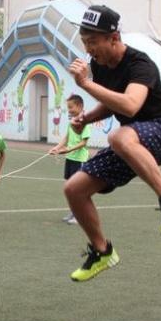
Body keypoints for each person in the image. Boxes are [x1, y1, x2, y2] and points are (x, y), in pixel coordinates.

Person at [63, 5, 161, 282]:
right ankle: (102, 251)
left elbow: (131, 105)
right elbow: (112, 102)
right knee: (74, 188)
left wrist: (85, 84)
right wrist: (87, 118)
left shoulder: (140, 64)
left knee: (119, 136)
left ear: (114, 38)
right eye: (84, 42)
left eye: (93, 42)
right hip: (131, 142)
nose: (88, 50)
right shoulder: (99, 65)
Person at [49, 94, 91, 224]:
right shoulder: (71, 122)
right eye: (68, 108)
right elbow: (66, 139)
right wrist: (56, 148)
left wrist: (68, 149)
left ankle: (79, 215)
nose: (69, 110)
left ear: (79, 106)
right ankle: (74, 212)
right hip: (70, 159)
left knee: (77, 188)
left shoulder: (85, 122)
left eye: (71, 107)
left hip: (80, 160)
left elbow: (83, 143)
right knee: (70, 187)